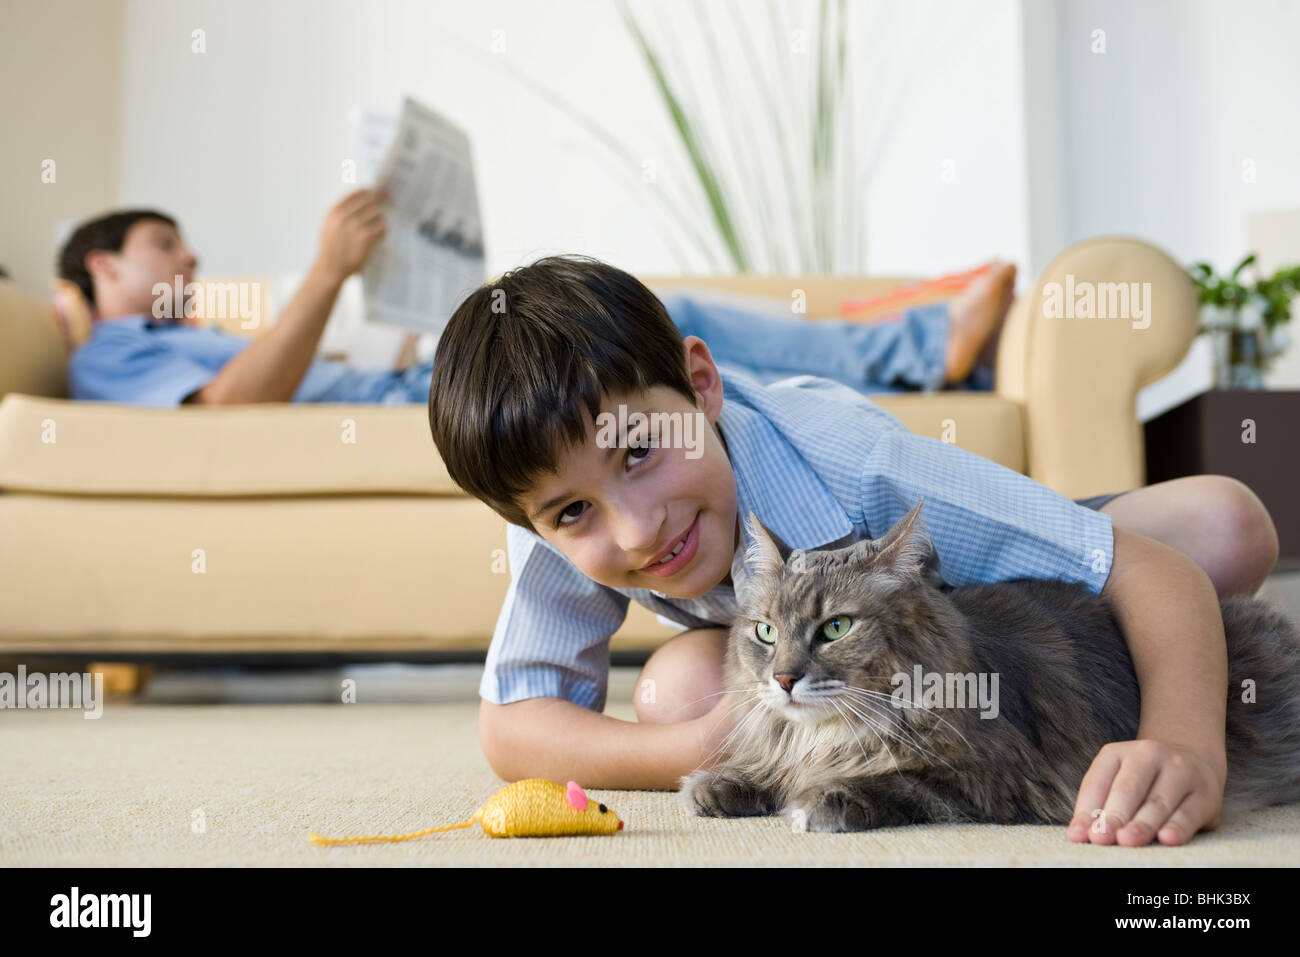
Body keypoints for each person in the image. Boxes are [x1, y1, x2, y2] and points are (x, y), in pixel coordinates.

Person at [426, 254, 1279, 847]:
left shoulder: (858, 463)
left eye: (640, 451)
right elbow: (512, 725)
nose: (636, 529)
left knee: (1224, 528)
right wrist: (692, 751)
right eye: (575, 511)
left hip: (994, 589)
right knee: (677, 694)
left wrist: (1186, 741)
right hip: (810, 645)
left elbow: (1150, 568)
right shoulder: (551, 492)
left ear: (701, 385)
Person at [57, 191, 1015, 406]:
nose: (187, 259)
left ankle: (924, 353)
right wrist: (328, 272)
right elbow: (233, 408)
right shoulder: (107, 353)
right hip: (421, 400)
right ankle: (925, 349)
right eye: (162, 247)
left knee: (662, 312)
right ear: (102, 269)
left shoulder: (189, 333)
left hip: (420, 374)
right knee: (640, 331)